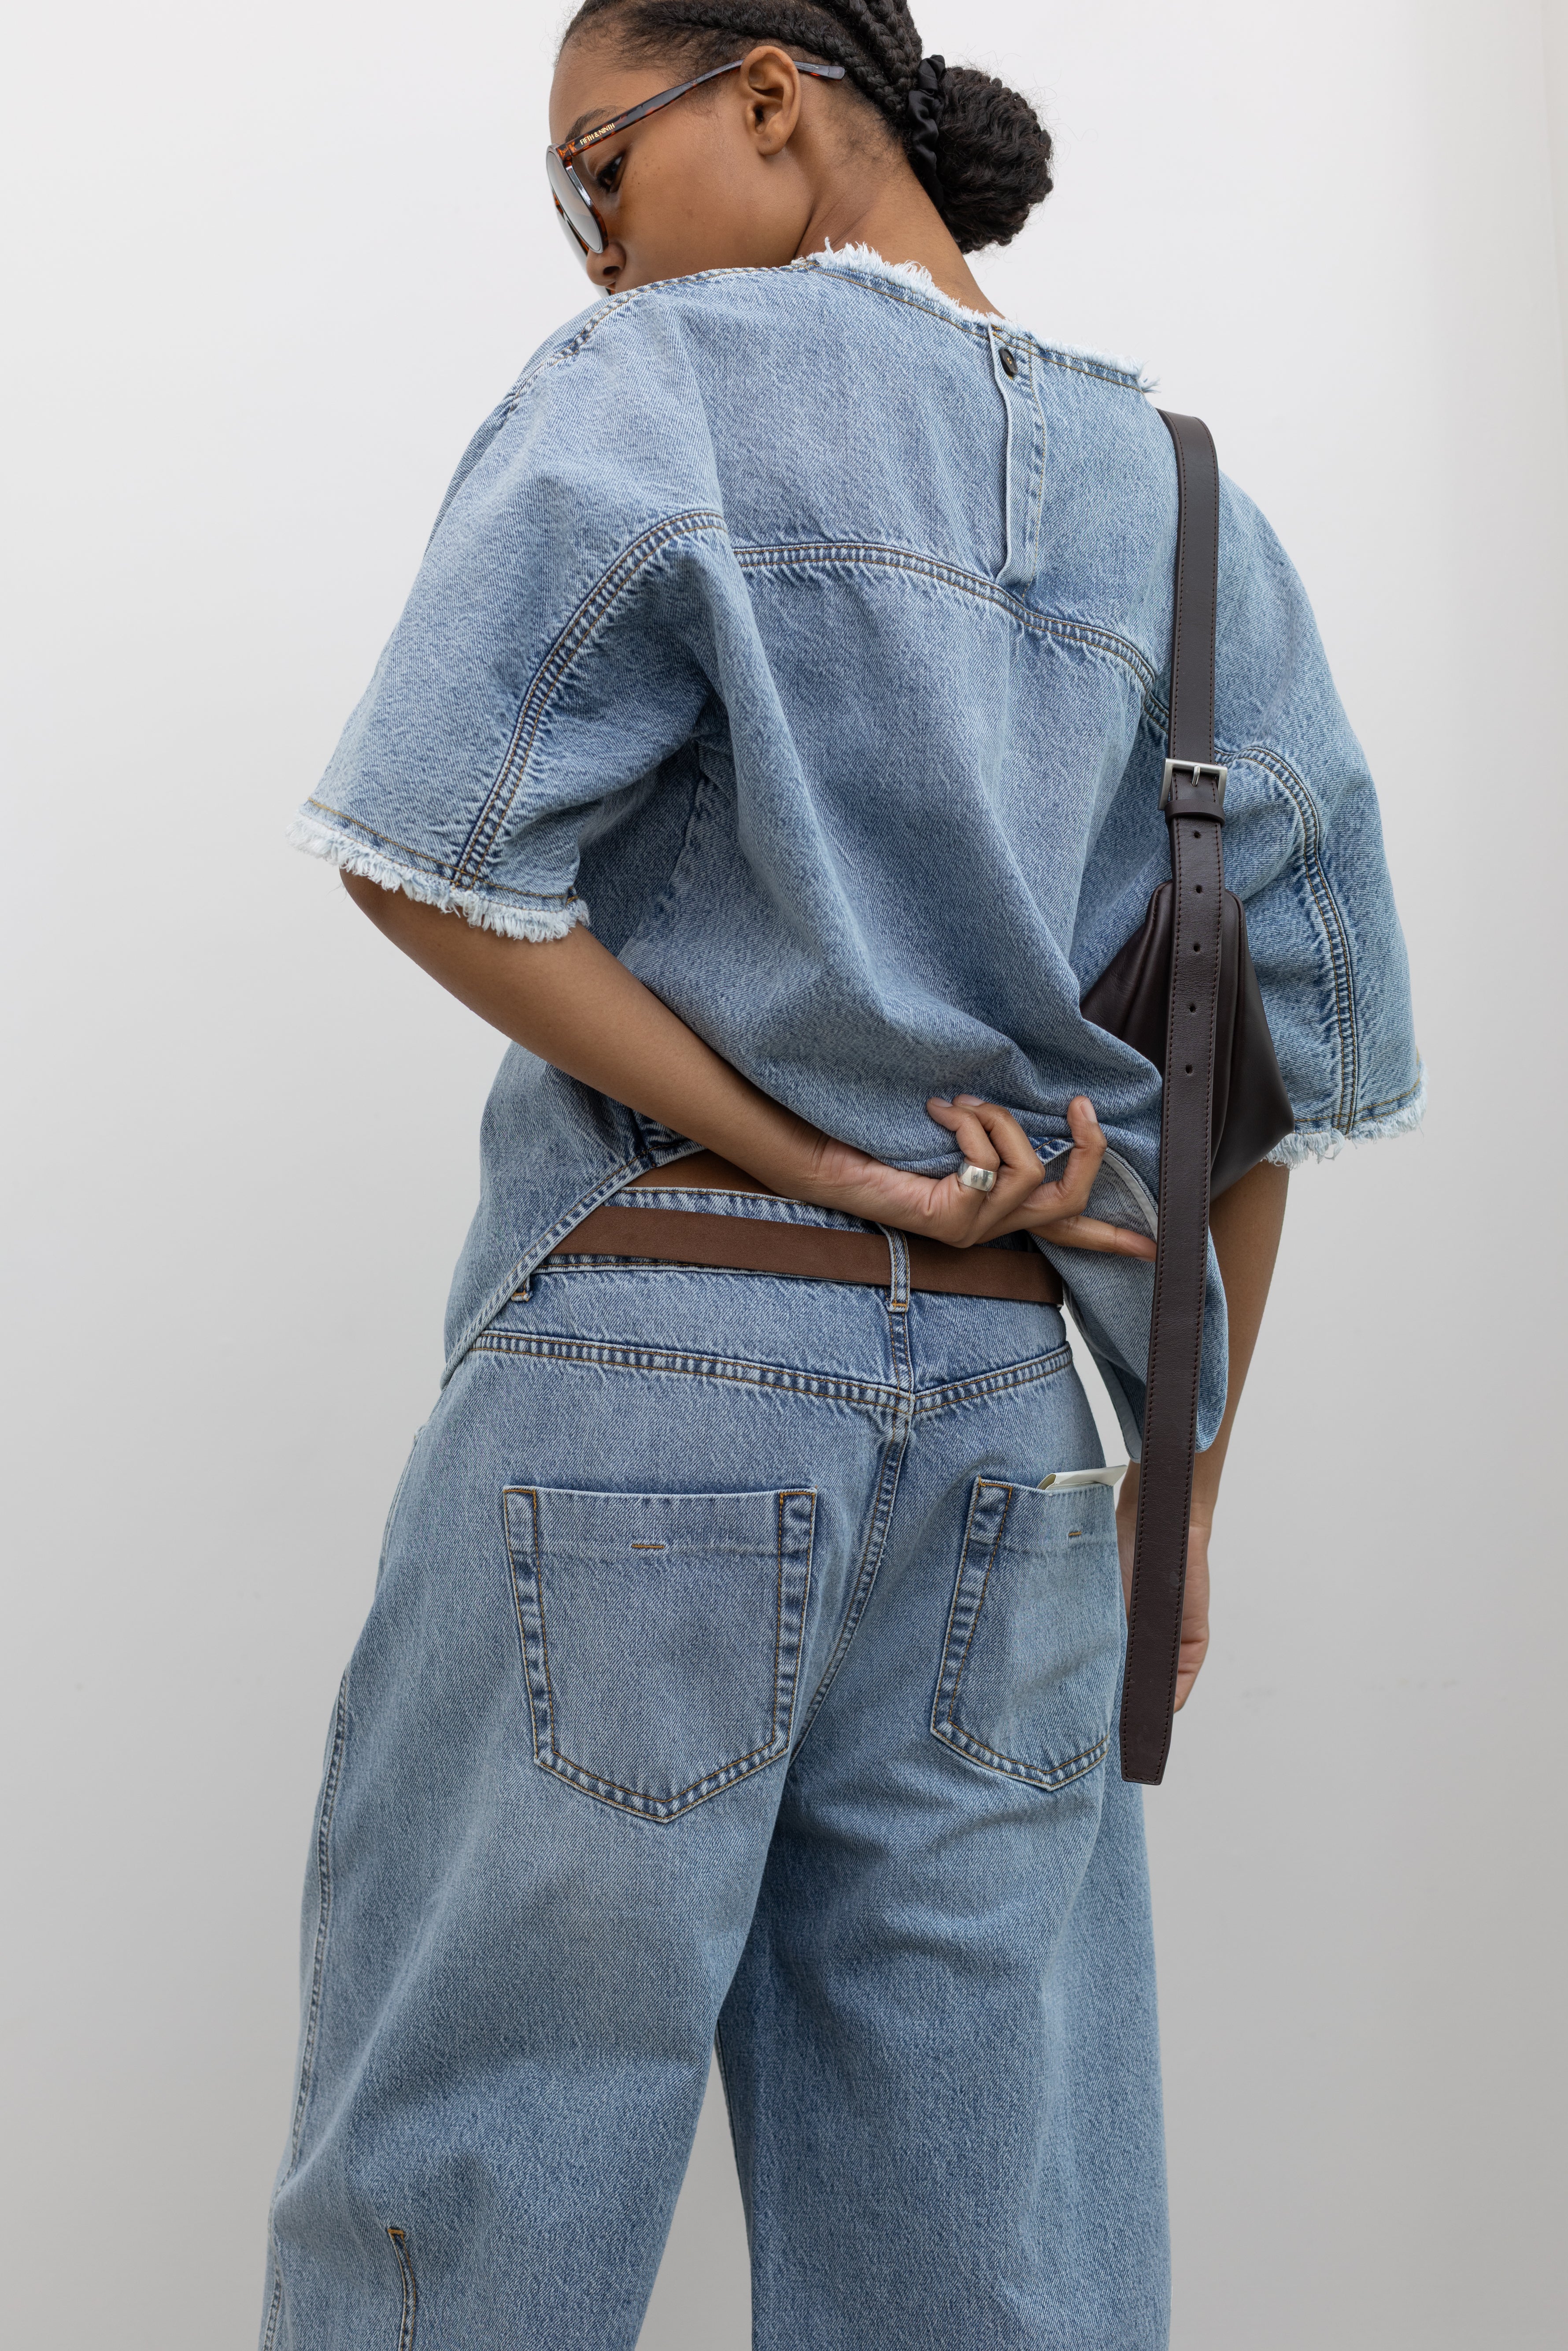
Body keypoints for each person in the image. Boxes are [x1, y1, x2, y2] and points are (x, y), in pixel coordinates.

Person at [261, 5, 1421, 2345]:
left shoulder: (658, 388)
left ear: (772, 102)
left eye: (599, 167)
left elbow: (424, 846)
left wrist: (792, 1144)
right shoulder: (1192, 515)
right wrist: (1179, 1481)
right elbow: (1263, 1075)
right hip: (1028, 1450)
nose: (594, 246)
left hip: (648, 1389)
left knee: (473, 2181)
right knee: (983, 2236)